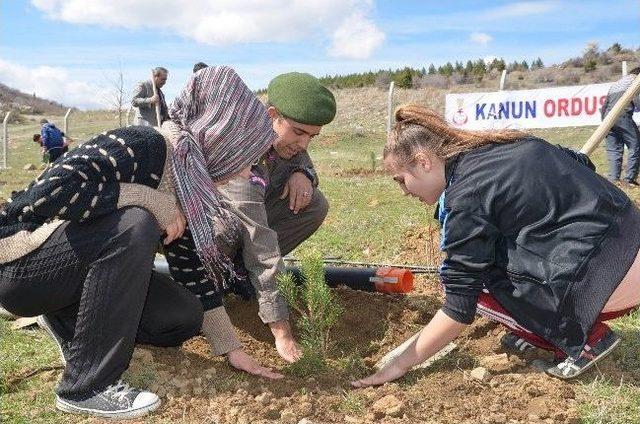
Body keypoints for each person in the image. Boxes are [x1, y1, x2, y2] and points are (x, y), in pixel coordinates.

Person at [0, 66, 275, 419]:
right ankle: (86, 387)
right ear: (223, 137)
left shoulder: (191, 182)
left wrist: (230, 347)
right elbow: (46, 196)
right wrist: (149, 199)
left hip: (67, 279)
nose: (245, 172)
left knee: (184, 315)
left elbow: (190, 268)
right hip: (22, 268)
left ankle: (67, 321)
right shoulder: (142, 145)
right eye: (245, 157)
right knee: (135, 222)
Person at [352, 104, 640, 387]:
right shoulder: (507, 143)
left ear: (423, 161)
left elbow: (459, 306)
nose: (403, 191)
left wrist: (400, 363)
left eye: (401, 180)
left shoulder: (466, 195)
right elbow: (580, 162)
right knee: (498, 250)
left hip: (612, 283)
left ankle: (588, 340)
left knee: (476, 281)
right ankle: (534, 330)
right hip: (631, 242)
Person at [161, 71, 336, 376]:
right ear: (272, 116)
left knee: (315, 202)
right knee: (238, 237)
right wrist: (282, 330)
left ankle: (240, 275)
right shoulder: (240, 153)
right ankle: (217, 280)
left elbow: (299, 159)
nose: (305, 143)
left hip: (243, 217)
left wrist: (302, 173)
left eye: (312, 137)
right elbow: (262, 244)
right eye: (298, 132)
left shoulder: (282, 143)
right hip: (198, 235)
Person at [602, 67, 640, 185]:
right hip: (622, 115)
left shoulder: (617, 83)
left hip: (607, 118)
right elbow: (638, 102)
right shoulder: (636, 81)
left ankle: (613, 180)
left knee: (614, 149)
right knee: (635, 145)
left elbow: (604, 105)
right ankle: (629, 179)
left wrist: (604, 124)